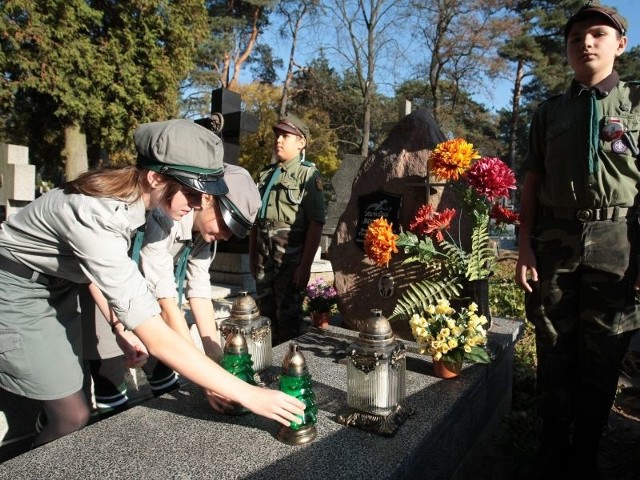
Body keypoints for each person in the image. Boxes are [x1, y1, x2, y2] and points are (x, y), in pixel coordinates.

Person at [0, 119, 304, 447]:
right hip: (18, 288)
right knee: (72, 414)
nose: (199, 204)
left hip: (58, 285)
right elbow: (155, 330)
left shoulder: (142, 203)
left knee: (65, 402)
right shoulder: (101, 213)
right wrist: (250, 395)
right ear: (155, 176)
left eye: (204, 195)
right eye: (191, 192)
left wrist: (123, 327)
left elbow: (102, 274)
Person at [515, 3, 640, 478]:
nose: (585, 43)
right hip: (555, 238)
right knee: (553, 345)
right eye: (575, 38)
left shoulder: (636, 102)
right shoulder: (549, 112)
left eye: (596, 34)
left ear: (619, 45)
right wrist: (524, 246)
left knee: (604, 351)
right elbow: (531, 182)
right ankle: (552, 446)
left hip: (620, 240)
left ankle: (586, 453)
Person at [82, 163, 261, 416]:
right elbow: (165, 299)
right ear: (207, 198)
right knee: (111, 384)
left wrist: (216, 359)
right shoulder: (166, 214)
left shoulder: (204, 233)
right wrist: (207, 378)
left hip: (143, 301)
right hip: (105, 296)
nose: (226, 236)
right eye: (226, 224)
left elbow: (199, 290)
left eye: (234, 232)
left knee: (164, 375)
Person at [249, 114, 326, 344]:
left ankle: (289, 371)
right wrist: (252, 254)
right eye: (277, 135)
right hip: (264, 255)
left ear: (301, 142)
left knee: (288, 317)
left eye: (285, 135)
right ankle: (264, 368)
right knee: (264, 315)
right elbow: (256, 220)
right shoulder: (266, 175)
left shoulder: (307, 175)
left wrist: (305, 266)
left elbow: (316, 223)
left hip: (289, 259)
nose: (279, 140)